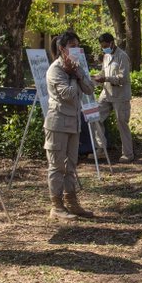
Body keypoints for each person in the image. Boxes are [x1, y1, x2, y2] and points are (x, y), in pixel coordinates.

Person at [44, 31, 96, 222]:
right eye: (72, 46)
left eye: (77, 45)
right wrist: (74, 76)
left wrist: (77, 73)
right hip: (57, 123)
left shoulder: (76, 66)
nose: (76, 49)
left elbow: (89, 88)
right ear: (62, 48)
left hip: (74, 123)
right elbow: (68, 94)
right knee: (57, 166)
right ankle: (56, 206)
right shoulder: (55, 70)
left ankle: (71, 201)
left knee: (71, 165)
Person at [92, 33, 134, 162]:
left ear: (112, 43)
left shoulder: (122, 56)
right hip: (106, 94)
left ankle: (128, 154)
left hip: (121, 95)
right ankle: (101, 149)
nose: (104, 48)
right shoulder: (106, 56)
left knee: (122, 124)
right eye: (102, 46)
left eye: (105, 46)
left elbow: (123, 78)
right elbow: (104, 72)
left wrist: (106, 78)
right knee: (95, 117)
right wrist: (96, 77)